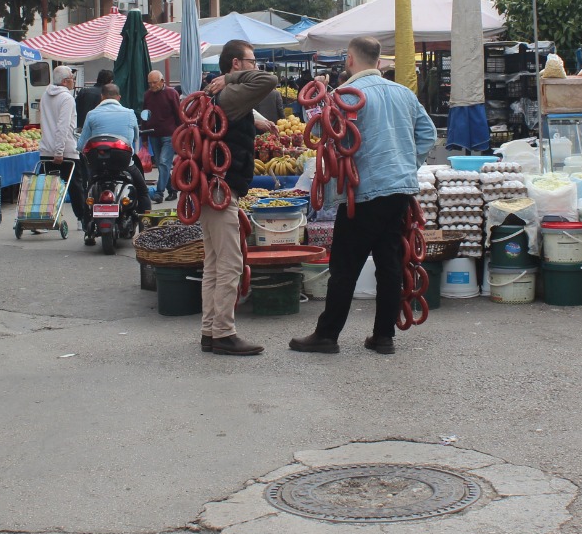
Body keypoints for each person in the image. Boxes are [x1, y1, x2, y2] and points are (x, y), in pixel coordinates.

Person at [290, 35, 436, 356]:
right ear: (380, 61)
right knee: (389, 263)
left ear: (350, 61)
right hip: (398, 190)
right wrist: (406, 163)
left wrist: (320, 98)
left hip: (362, 193)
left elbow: (317, 132)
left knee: (345, 265)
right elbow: (428, 134)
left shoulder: (343, 97)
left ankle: (327, 335)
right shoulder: (404, 94)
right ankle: (383, 336)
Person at [198, 40, 278, 356]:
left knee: (215, 264)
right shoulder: (231, 89)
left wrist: (254, 121)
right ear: (235, 64)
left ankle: (210, 331)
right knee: (230, 264)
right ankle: (224, 334)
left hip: (208, 186)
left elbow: (232, 116)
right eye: (251, 60)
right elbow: (269, 81)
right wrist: (232, 80)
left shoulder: (219, 94)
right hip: (221, 189)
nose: (255, 66)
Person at [77, 83, 151, 214]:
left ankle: (86, 221)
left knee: (88, 190)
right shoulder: (129, 113)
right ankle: (145, 226)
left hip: (98, 166)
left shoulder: (92, 114)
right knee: (143, 190)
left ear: (102, 97)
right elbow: (134, 137)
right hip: (124, 164)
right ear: (119, 97)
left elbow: (81, 145)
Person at [39, 65, 90, 236]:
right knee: (75, 186)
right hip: (65, 149)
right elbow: (63, 126)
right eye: (71, 79)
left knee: (50, 186)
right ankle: (82, 218)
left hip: (46, 148)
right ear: (64, 81)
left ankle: (43, 218)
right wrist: (59, 151)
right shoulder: (67, 98)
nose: (73, 82)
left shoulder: (45, 95)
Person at [142, 70, 181, 202]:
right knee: (160, 164)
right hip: (153, 134)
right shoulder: (147, 95)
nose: (152, 85)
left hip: (169, 134)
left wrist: (181, 134)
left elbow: (178, 114)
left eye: (154, 82)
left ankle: (159, 192)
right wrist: (144, 137)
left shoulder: (171, 93)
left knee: (164, 162)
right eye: (150, 83)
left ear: (162, 81)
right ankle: (172, 189)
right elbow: (145, 115)